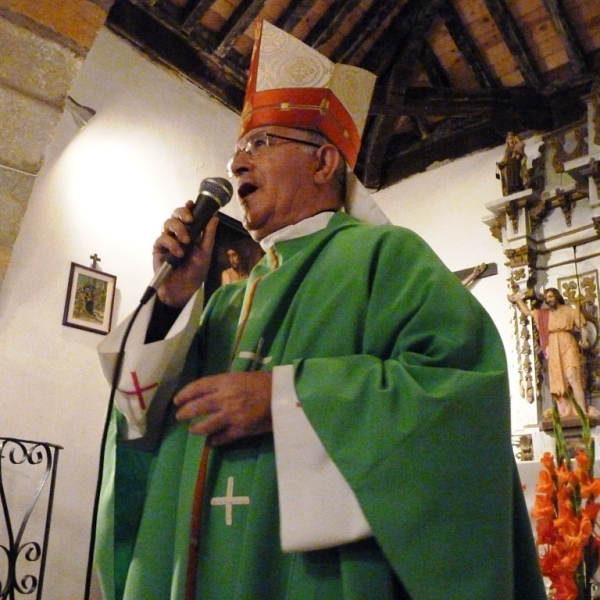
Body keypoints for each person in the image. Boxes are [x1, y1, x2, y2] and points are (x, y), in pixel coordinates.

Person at [94, 20, 545, 600]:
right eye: (237, 150)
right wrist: (172, 300)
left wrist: (286, 400)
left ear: (325, 162)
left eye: (261, 144)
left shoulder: (385, 255)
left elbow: (460, 390)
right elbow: (139, 415)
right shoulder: (229, 297)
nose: (238, 165)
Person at [508, 287, 590, 417]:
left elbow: (583, 327)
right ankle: (564, 410)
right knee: (558, 379)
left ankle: (582, 411)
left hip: (567, 342)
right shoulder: (544, 314)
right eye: (547, 298)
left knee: (572, 376)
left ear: (557, 297)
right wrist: (518, 299)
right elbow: (529, 312)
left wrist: (584, 340)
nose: (548, 300)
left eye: (551, 296)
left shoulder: (571, 311)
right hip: (552, 345)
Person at [497, 131, 529, 195]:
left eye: (511, 138)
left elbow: (521, 155)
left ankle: (518, 187)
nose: (510, 140)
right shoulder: (507, 150)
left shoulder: (516, 147)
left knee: (516, 175)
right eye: (509, 138)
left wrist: (518, 154)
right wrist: (501, 164)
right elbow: (505, 159)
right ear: (507, 141)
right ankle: (511, 188)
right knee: (510, 177)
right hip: (509, 166)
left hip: (516, 164)